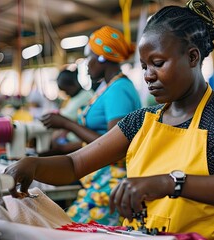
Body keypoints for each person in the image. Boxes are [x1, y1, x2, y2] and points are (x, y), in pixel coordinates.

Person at [4, 1, 214, 238]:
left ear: (193, 57)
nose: (148, 75)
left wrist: (170, 183)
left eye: (158, 63)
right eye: (145, 66)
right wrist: (33, 165)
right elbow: (75, 163)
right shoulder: (140, 121)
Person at [40, 25, 140, 225]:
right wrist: (65, 148)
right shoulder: (108, 87)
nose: (85, 64)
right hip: (100, 173)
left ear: (103, 58)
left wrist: (67, 124)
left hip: (112, 179)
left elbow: (114, 145)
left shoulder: (119, 89)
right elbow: (101, 137)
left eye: (89, 57)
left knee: (73, 228)